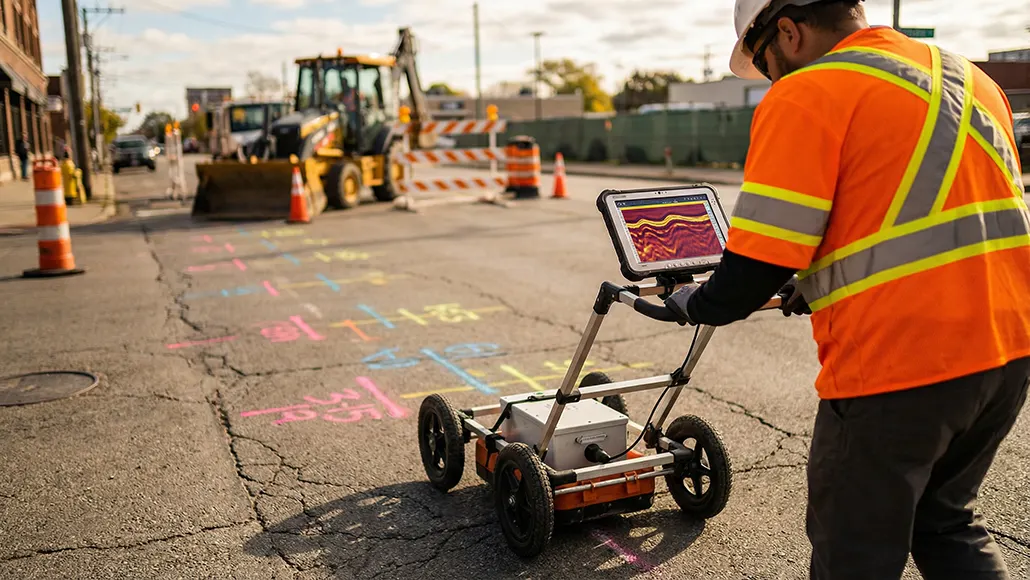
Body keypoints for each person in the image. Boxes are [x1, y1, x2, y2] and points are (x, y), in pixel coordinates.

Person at [662, 0, 1030, 578]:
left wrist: (694, 301)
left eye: (766, 64)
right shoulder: (968, 78)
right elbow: (914, 209)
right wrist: (817, 283)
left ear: (788, 31)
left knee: (854, 555)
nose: (772, 79)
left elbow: (758, 261)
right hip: (1007, 352)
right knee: (946, 523)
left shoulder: (809, 92)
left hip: (900, 366)